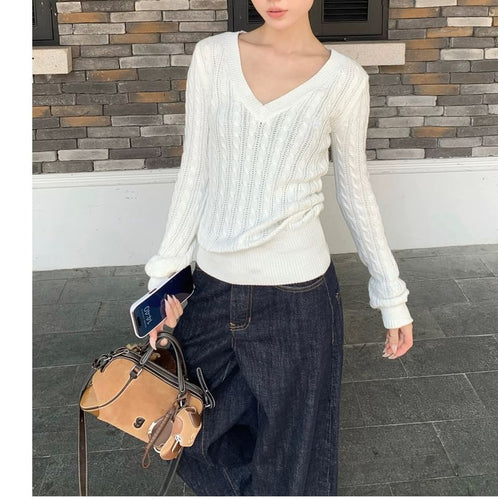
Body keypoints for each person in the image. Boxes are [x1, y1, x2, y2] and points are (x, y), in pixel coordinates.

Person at [144, 0, 414, 496]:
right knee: (192, 436)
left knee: (295, 457)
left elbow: (354, 190)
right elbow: (195, 172)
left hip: (299, 297)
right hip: (212, 289)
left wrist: (390, 293)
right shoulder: (212, 57)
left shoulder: (344, 80)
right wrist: (164, 278)